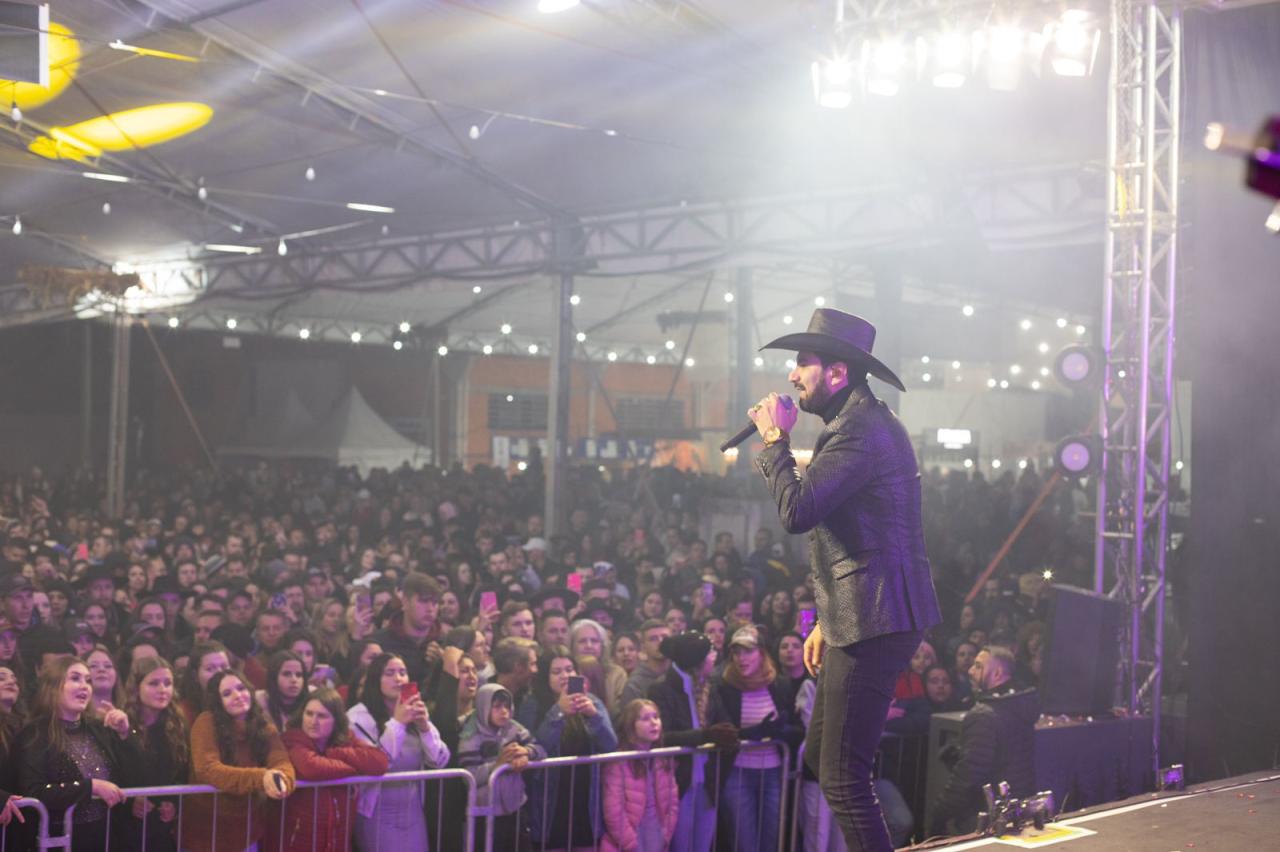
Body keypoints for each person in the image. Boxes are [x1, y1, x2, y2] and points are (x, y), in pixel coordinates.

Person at [749, 308, 942, 852]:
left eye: (802, 363)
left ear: (836, 373)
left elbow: (798, 513)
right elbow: (852, 536)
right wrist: (827, 623)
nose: (791, 376)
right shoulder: (856, 425)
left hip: (876, 617)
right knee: (821, 760)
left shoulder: (861, 431)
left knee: (842, 777)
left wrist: (773, 442)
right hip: (861, 613)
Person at [16, 657, 133, 851]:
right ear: (53, 686)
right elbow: (32, 793)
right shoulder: (34, 734)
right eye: (75, 678)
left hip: (105, 838)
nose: (85, 686)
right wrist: (90, 787)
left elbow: (132, 777)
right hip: (59, 841)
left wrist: (124, 734)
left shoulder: (98, 728)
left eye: (88, 680)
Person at [928, 647, 1039, 836]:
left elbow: (969, 776)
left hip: (986, 817)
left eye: (978, 666)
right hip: (1018, 811)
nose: (971, 671)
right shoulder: (1023, 706)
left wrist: (938, 814)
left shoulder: (983, 715)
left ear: (997, 673)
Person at [181, 669, 296, 852]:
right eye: (227, 693)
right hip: (206, 832)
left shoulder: (263, 725)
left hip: (247, 831)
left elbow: (281, 762)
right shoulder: (206, 721)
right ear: (217, 701)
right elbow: (208, 769)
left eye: (241, 688)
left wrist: (283, 781)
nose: (237, 695)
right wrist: (261, 777)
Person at [347, 653, 450, 852]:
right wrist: (398, 723)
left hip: (413, 811)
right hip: (376, 811)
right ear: (376, 679)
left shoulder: (414, 712)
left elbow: (439, 761)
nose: (398, 678)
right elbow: (377, 764)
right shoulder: (358, 717)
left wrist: (425, 727)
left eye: (403, 672)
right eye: (390, 673)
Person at [715, 625, 803, 852]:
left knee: (771, 839)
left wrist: (781, 732)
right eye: (737, 652)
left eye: (748, 651)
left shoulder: (780, 684)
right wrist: (753, 733)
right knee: (744, 842)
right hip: (738, 772)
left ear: (761, 653)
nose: (741, 658)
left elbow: (799, 729)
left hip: (773, 772)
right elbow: (722, 729)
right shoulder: (723, 685)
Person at [646, 631, 735, 852]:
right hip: (678, 783)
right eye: (709, 653)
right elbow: (662, 737)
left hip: (708, 783)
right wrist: (705, 736)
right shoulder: (661, 689)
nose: (714, 657)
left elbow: (725, 727)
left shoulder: (709, 687)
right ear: (696, 661)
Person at [271, 688, 390, 852]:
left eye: (322, 716)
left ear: (336, 720)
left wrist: (337, 753)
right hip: (298, 839)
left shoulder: (345, 739)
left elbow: (380, 762)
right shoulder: (292, 738)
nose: (313, 721)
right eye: (309, 713)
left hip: (337, 838)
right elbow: (312, 768)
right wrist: (356, 769)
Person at [528, 646, 618, 851]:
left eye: (569, 670)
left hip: (586, 799)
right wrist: (558, 711)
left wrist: (594, 716)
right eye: (556, 671)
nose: (565, 676)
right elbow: (538, 745)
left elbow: (610, 744)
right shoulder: (534, 704)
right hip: (550, 800)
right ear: (545, 676)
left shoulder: (592, 702)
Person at [458, 683, 547, 852]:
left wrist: (526, 752)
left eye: (507, 706)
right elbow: (468, 776)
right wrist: (498, 765)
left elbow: (541, 749)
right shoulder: (470, 736)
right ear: (484, 707)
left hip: (516, 807)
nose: (504, 711)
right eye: (497, 707)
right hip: (486, 812)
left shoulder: (514, 728)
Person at [119, 656, 189, 851]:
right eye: (154, 683)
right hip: (123, 828)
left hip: (161, 828)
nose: (162, 689)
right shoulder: (121, 723)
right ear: (136, 687)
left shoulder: (177, 726)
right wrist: (129, 802)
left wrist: (174, 803)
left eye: (168, 683)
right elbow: (114, 771)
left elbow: (183, 773)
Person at [601, 698, 679, 852]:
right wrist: (631, 844)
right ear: (631, 726)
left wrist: (666, 833)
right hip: (631, 836)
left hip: (657, 832)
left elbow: (673, 801)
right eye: (645, 719)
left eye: (656, 717)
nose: (653, 722)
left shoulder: (662, 758)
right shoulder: (619, 762)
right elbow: (613, 810)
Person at [177, 641, 232, 725]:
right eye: (210, 669)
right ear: (195, 675)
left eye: (224, 667)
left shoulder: (240, 700)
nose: (219, 673)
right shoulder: (184, 713)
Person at [255, 649, 307, 731]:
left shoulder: (312, 700)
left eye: (299, 675)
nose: (294, 680)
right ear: (274, 677)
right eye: (286, 674)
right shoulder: (259, 701)